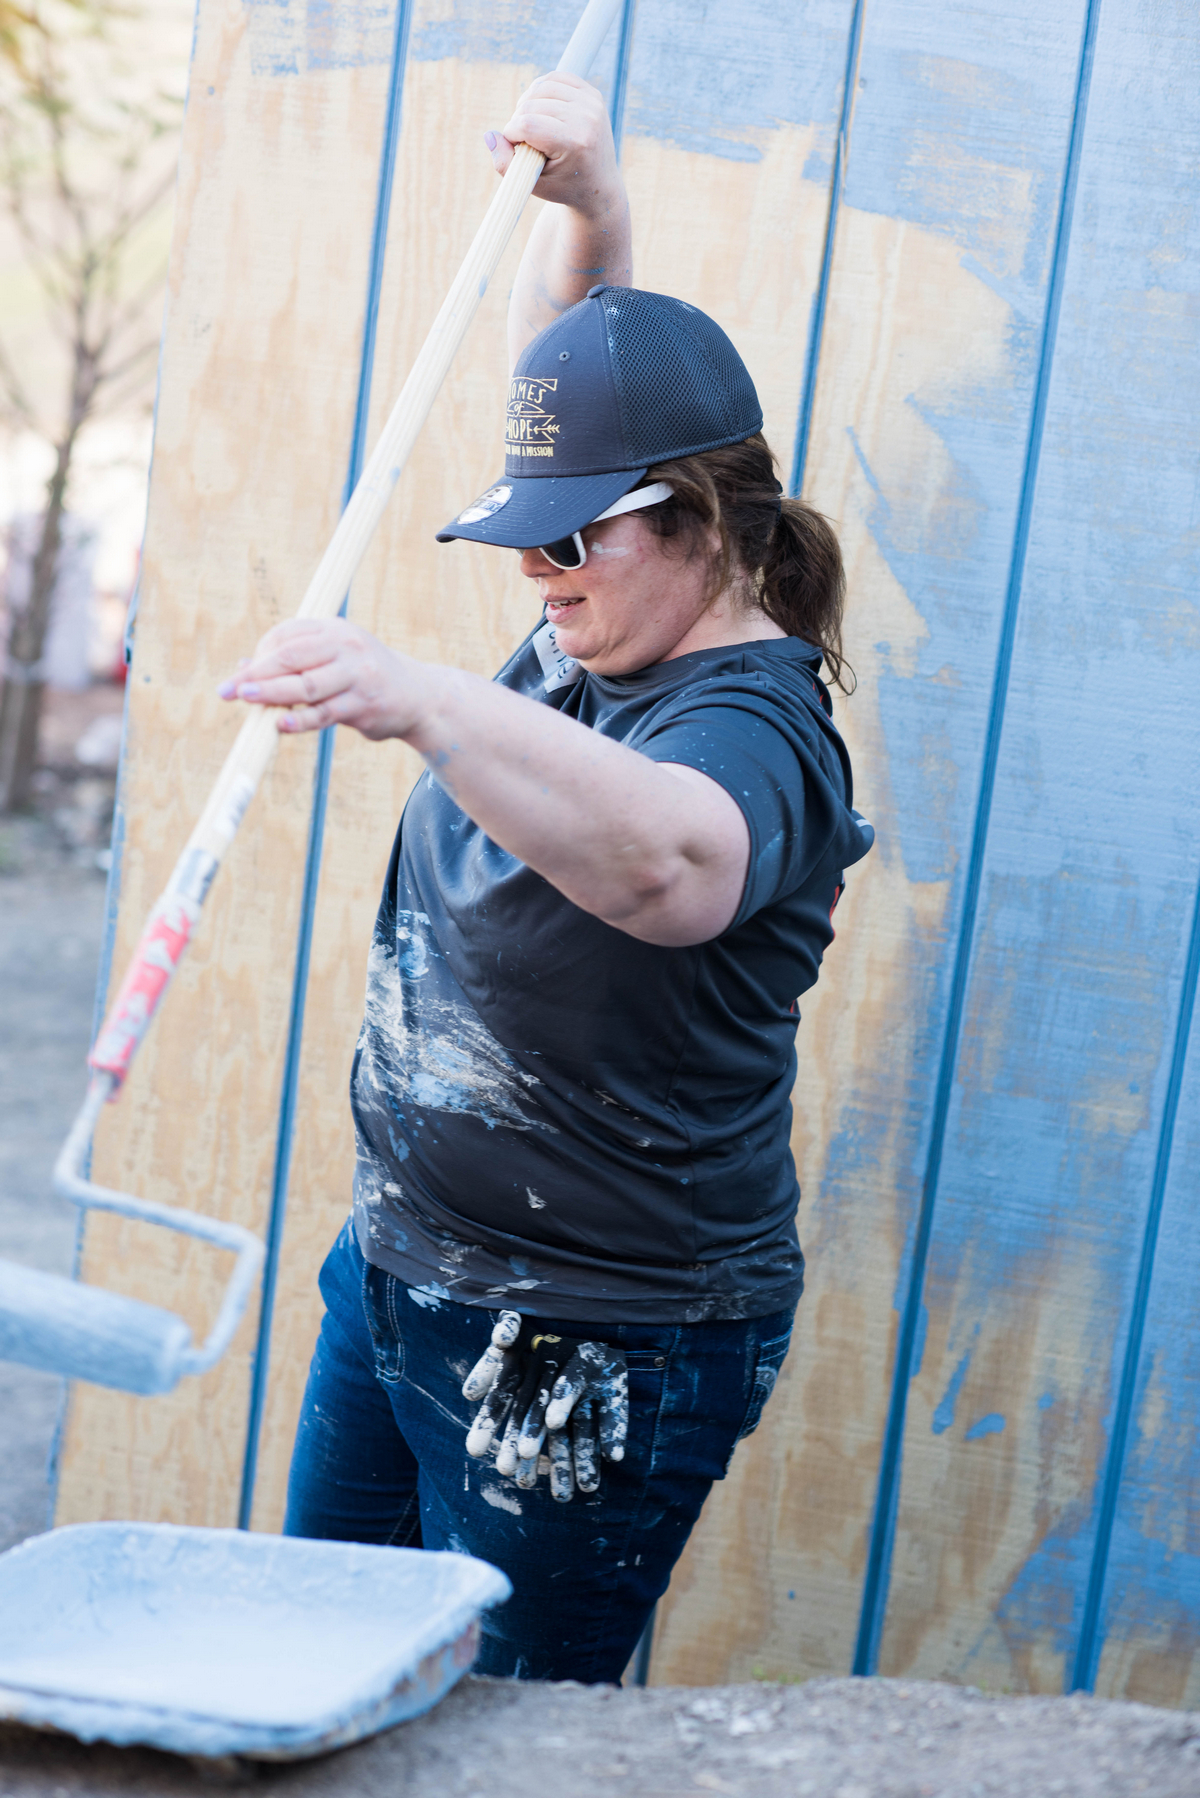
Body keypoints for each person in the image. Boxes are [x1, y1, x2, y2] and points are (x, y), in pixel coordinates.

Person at [221, 71, 873, 1683]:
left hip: (592, 1344)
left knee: (495, 1749)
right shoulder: (602, 613)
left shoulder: (755, 727)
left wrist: (422, 699)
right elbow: (574, 373)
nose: (535, 565)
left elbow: (671, 864)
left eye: (572, 537)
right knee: (310, 1680)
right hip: (401, 1270)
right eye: (528, 530)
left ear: (705, 521)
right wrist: (590, 199)